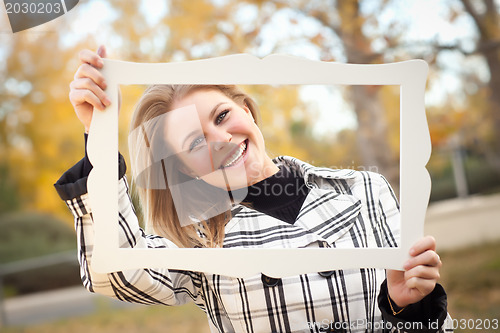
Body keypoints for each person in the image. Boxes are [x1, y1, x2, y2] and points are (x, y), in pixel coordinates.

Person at [55, 46, 453, 333]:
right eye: (195, 143)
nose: (221, 139)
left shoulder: (366, 188)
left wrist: (409, 309)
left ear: (246, 108)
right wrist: (100, 138)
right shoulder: (199, 239)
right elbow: (117, 272)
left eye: (223, 115)